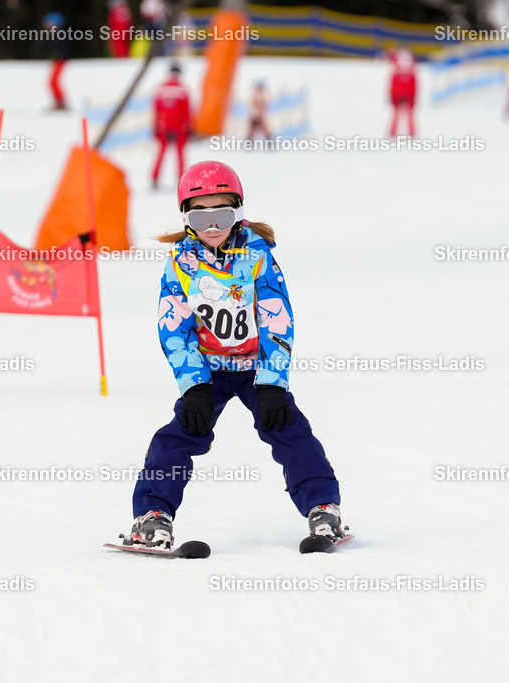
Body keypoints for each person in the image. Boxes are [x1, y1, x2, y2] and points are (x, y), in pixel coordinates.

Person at [124, 160, 344, 549]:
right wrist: (194, 385)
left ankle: (322, 507)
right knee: (176, 438)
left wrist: (272, 382)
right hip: (208, 371)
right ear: (186, 218)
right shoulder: (180, 264)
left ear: (238, 213)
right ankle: (152, 516)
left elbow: (276, 318)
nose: (212, 227)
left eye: (222, 215)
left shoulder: (257, 256)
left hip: (255, 368)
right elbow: (174, 327)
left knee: (289, 429)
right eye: (200, 216)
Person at [151, 63, 190, 189]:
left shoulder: (161, 88)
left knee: (161, 153)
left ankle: (155, 178)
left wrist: (155, 125)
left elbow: (156, 109)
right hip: (179, 126)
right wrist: (188, 126)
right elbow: (186, 110)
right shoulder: (182, 89)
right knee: (180, 154)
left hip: (164, 126)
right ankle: (181, 179)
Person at [42, 12, 72, 110]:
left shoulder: (61, 36)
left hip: (60, 61)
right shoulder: (52, 36)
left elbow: (63, 48)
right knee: (52, 82)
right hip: (57, 61)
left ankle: (61, 102)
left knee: (53, 82)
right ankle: (58, 101)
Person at [388, 49, 417, 137]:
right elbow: (414, 85)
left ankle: (393, 133)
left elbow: (392, 84)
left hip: (399, 94)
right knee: (407, 115)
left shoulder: (396, 69)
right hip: (406, 95)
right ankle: (411, 133)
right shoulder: (411, 70)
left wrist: (392, 96)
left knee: (398, 114)